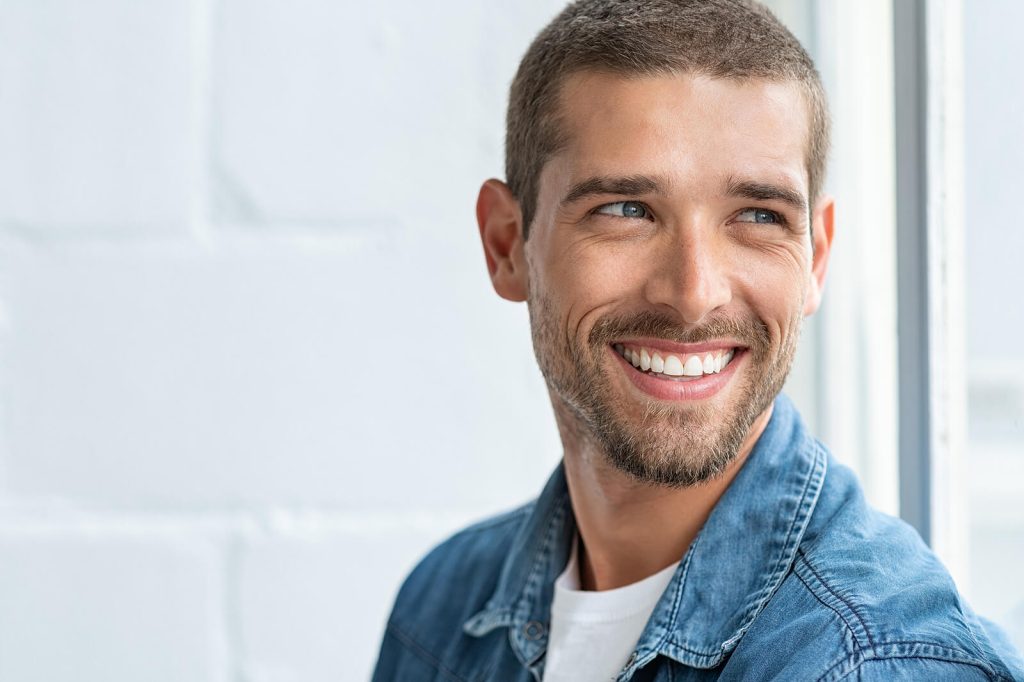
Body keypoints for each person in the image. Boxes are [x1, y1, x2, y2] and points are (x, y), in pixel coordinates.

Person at [372, 0, 1024, 679]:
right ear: (508, 245)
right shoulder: (440, 613)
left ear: (815, 259)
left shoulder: (870, 663)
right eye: (626, 210)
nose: (692, 293)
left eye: (757, 216)